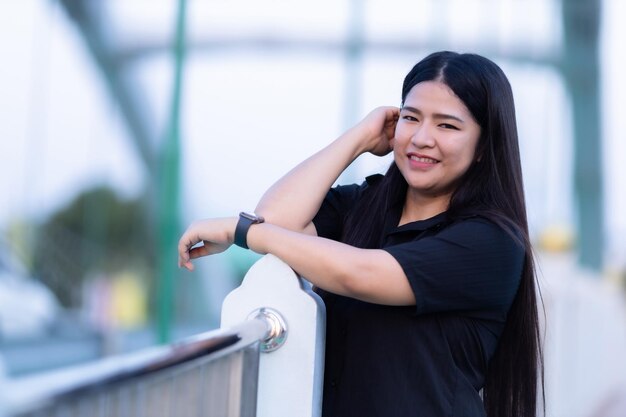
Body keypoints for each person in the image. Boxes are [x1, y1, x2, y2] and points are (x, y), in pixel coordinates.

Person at [178, 51, 544, 417]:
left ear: (483, 147)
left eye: (446, 126)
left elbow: (357, 273)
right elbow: (273, 219)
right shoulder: (362, 206)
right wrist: (361, 137)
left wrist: (241, 231)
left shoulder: (491, 242)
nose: (421, 138)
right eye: (410, 118)